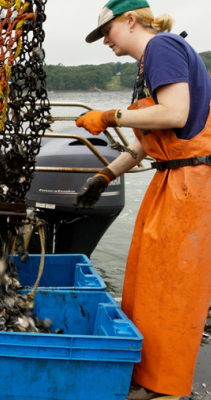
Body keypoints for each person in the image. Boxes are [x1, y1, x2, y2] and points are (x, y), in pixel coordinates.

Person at [74, 0, 211, 399]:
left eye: (107, 32)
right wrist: (104, 175)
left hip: (191, 184)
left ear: (130, 20)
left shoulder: (163, 48)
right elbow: (145, 144)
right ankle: (147, 374)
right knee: (145, 283)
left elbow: (173, 113)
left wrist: (108, 116)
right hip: (171, 181)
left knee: (173, 288)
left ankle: (165, 388)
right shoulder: (148, 64)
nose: (105, 42)